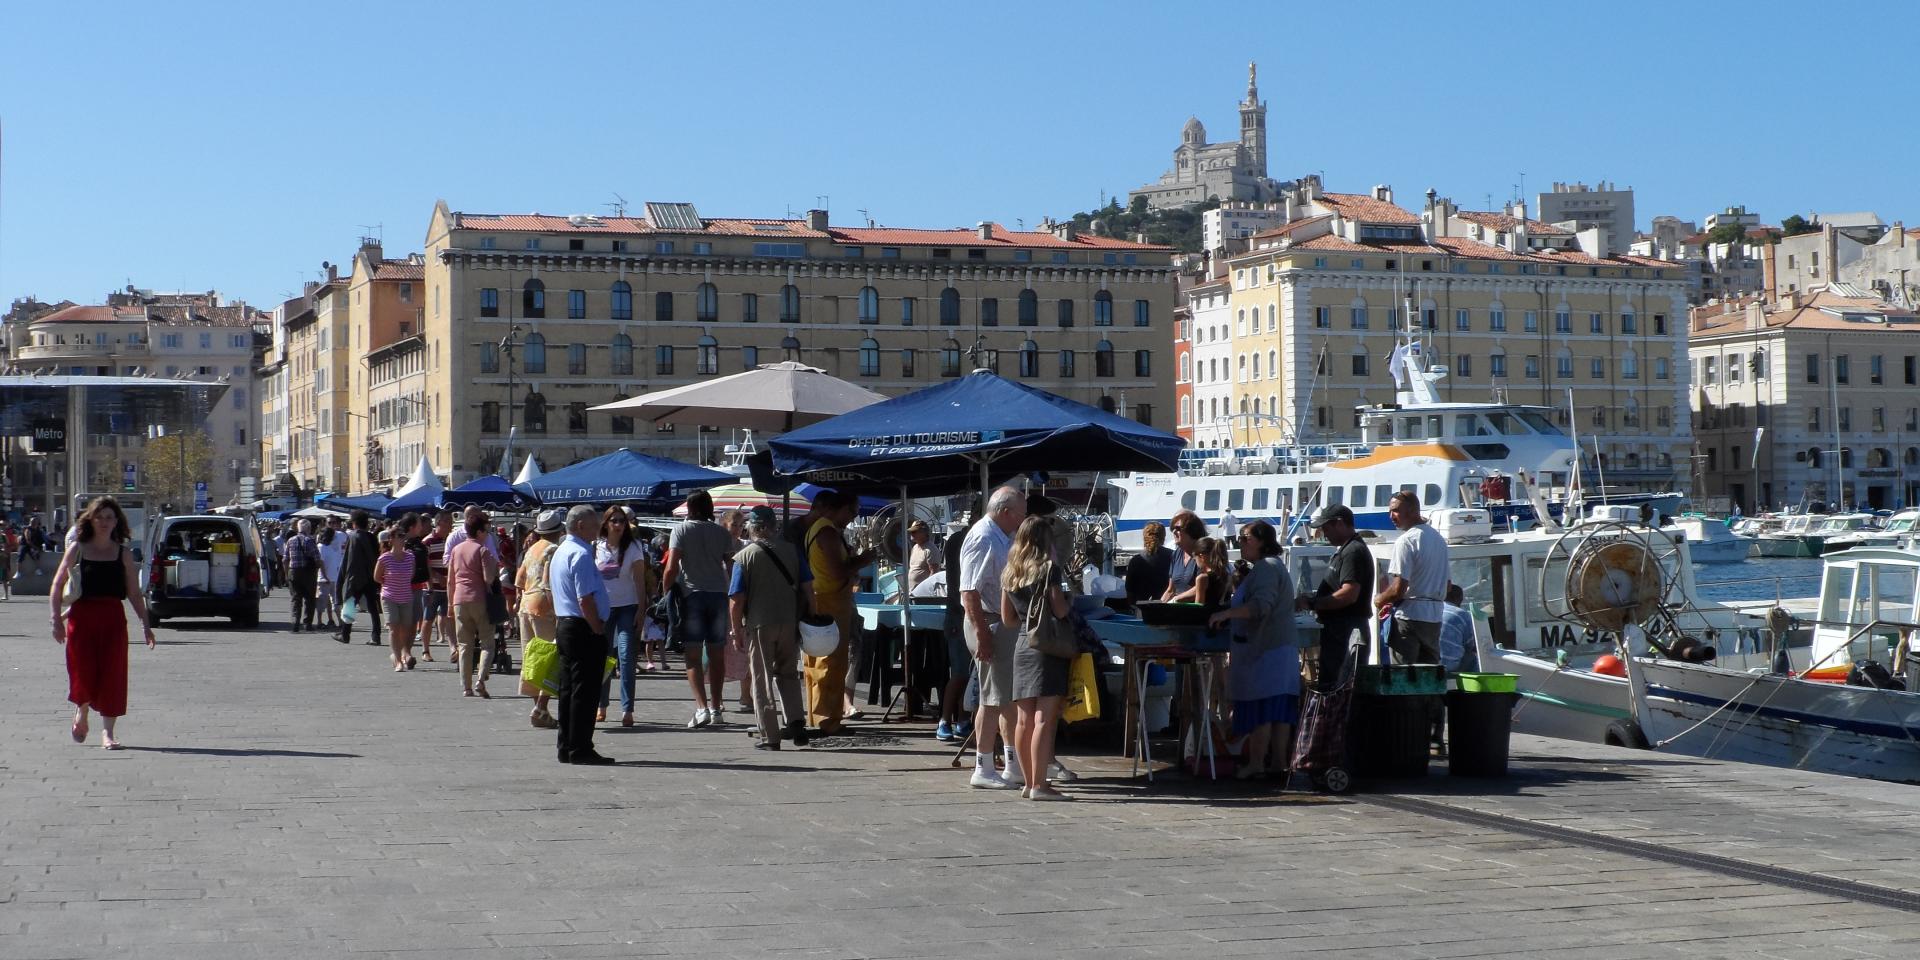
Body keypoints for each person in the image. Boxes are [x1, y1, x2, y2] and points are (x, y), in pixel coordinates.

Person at [49, 497, 154, 750]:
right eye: (100, 517)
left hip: (112, 618)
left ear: (117, 521)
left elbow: (133, 593)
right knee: (82, 670)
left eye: (109, 517)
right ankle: (82, 712)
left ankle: (108, 733)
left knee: (113, 674)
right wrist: (55, 619)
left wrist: (145, 624)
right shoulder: (78, 549)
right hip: (82, 618)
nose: (105, 522)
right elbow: (57, 583)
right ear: (91, 520)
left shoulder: (123, 554)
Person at [1208, 520, 1300, 780]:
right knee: (1279, 710)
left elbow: (1261, 606)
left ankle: (1258, 763)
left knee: (1264, 709)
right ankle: (1278, 764)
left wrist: (1226, 613)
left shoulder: (1266, 569)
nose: (1240, 542)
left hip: (1268, 651)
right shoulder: (1269, 567)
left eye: (1245, 537)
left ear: (1261, 541)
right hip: (1278, 650)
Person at [999, 515, 1076, 800]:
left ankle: (1028, 782)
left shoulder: (1010, 572)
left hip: (1022, 645)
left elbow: (1008, 619)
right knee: (1044, 718)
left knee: (1023, 719)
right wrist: (1069, 600)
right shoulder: (1048, 569)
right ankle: (1040, 786)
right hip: (1047, 647)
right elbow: (1059, 611)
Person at [729, 505, 812, 750]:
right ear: (774, 527)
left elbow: (736, 599)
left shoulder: (744, 557)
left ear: (751, 528)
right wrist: (812, 615)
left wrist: (735, 630)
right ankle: (797, 723)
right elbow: (809, 589)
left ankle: (770, 736)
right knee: (788, 673)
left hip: (760, 623)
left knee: (762, 678)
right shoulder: (793, 552)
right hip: (789, 621)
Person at [960, 485, 1027, 789]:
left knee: (1004, 699)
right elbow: (969, 590)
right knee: (991, 698)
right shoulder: (984, 537)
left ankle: (1011, 764)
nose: (1021, 521)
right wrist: (981, 633)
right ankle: (983, 765)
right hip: (988, 621)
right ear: (1004, 511)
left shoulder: (1001, 536)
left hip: (999, 622)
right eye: (1019, 514)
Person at [801, 491, 876, 735]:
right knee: (830, 663)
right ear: (839, 508)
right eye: (851, 512)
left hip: (823, 599)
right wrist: (864, 560)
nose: (852, 518)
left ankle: (820, 716)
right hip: (830, 602)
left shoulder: (820, 529)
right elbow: (837, 571)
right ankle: (827, 720)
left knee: (818, 661)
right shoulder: (827, 531)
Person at [661, 490, 735, 728]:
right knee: (716, 655)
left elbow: (671, 567)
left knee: (692, 656)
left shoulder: (681, 530)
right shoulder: (722, 532)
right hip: (719, 596)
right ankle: (716, 707)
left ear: (690, 508)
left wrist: (666, 593)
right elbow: (732, 566)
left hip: (692, 595)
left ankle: (701, 708)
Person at [550, 504, 613, 765]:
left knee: (569, 689)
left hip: (566, 624)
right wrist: (597, 626)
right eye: (594, 523)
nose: (599, 527)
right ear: (580, 526)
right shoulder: (580, 554)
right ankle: (580, 747)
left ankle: (567, 745)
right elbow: (584, 597)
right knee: (585, 691)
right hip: (582, 626)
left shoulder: (562, 550)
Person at [1298, 505, 1374, 692]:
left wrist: (1313, 603)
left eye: (1325, 528)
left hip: (1347, 631)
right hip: (1338, 632)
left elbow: (1349, 593)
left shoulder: (1353, 551)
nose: (1323, 533)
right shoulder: (1345, 550)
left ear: (1339, 523)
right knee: (1333, 687)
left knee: (1341, 691)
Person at [1373, 491, 1448, 664]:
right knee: (1428, 676)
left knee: (1403, 676)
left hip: (1409, 617)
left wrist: (1380, 600)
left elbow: (1398, 589)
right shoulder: (1438, 539)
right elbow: (1448, 585)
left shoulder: (1406, 541)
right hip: (1434, 617)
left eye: (1396, 511)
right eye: (1390, 511)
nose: (1391, 516)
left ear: (1413, 510)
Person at [595, 506, 651, 727]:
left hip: (628, 606)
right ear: (606, 523)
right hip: (604, 609)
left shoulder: (634, 547)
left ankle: (627, 709)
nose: (618, 524)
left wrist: (641, 609)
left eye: (622, 521)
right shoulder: (596, 547)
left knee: (627, 658)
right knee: (604, 658)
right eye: (614, 520)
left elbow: (639, 580)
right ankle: (601, 705)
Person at [517, 510, 566, 728]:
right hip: (545, 606)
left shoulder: (532, 549)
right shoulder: (553, 550)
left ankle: (539, 707)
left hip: (526, 604)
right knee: (549, 657)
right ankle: (541, 706)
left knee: (531, 657)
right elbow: (553, 580)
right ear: (559, 530)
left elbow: (519, 580)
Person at [448, 507, 502, 698]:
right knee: (487, 643)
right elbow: (488, 579)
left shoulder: (456, 550)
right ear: (479, 531)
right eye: (485, 530)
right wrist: (494, 567)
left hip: (459, 600)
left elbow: (450, 581)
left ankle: (466, 687)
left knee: (464, 645)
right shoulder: (483, 550)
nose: (487, 534)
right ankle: (480, 679)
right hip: (479, 599)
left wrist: (449, 605)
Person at [935, 517, 973, 743]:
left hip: (962, 613)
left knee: (969, 674)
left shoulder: (959, 539)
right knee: (960, 672)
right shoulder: (960, 540)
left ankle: (962, 719)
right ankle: (945, 720)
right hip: (959, 614)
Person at [334, 511, 383, 646]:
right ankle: (376, 635)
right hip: (371, 576)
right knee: (373, 608)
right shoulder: (372, 537)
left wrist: (344, 577)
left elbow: (348, 560)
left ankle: (345, 634)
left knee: (350, 605)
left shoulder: (353, 537)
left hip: (356, 577)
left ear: (354, 523)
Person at [373, 529, 419, 671]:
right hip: (389, 596)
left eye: (403, 535)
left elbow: (411, 575)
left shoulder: (410, 557)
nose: (402, 538)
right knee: (394, 628)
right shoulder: (384, 558)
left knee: (405, 629)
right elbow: (376, 577)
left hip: (406, 596)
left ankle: (399, 655)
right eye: (399, 536)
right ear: (391, 539)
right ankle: (398, 660)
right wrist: (388, 583)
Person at [418, 510, 454, 663]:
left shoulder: (451, 540)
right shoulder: (427, 542)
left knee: (449, 618)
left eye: (450, 520)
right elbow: (424, 565)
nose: (450, 523)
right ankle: (425, 650)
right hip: (431, 588)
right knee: (428, 619)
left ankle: (453, 648)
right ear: (438, 522)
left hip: (448, 588)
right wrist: (436, 578)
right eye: (447, 520)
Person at [282, 518, 320, 633]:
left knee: (295, 599)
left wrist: (286, 574)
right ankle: (307, 623)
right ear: (308, 528)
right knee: (309, 599)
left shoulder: (290, 540)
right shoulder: (310, 540)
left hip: (293, 571)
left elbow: (285, 559)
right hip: (308, 573)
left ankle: (295, 623)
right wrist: (316, 569)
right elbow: (317, 558)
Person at [1170, 536, 1230, 606]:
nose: (1194, 560)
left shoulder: (1202, 578)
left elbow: (1198, 607)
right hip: (1223, 615)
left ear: (1201, 556)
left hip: (1209, 616)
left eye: (1194, 557)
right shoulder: (1226, 575)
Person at [1160, 511, 1206, 600]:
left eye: (1177, 528)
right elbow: (1170, 590)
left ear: (1191, 529)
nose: (1173, 531)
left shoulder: (1204, 552)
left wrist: (1176, 599)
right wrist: (1158, 606)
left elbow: (1204, 585)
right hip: (1178, 608)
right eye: (1172, 528)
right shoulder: (1176, 554)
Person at [1124, 521, 1173, 603]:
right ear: (1163, 538)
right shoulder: (1174, 556)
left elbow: (1129, 590)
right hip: (1168, 605)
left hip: (1142, 607)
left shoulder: (1136, 560)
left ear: (1144, 538)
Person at [1439, 583, 1478, 673]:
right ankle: (1475, 685)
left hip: (1431, 664)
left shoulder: (1433, 610)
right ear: (1459, 598)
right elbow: (1472, 645)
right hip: (1449, 667)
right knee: (1474, 655)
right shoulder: (1462, 614)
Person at [315, 520, 343, 628]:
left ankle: (339, 621)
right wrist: (325, 576)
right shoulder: (321, 547)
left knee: (335, 602)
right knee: (322, 601)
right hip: (323, 579)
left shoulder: (332, 547)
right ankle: (319, 621)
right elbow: (321, 562)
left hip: (333, 578)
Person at [906, 520, 940, 586]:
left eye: (914, 532)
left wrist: (925, 588)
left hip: (922, 593)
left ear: (923, 532)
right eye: (911, 532)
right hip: (912, 591)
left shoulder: (930, 550)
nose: (911, 534)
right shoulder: (915, 547)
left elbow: (934, 573)